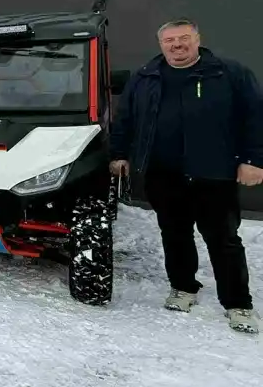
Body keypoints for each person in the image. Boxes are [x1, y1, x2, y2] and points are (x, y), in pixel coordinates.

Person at [110, 19, 263, 334]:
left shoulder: (229, 73)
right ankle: (183, 287)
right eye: (170, 40)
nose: (177, 45)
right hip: (163, 172)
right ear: (161, 44)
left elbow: (255, 117)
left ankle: (238, 304)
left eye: (183, 38)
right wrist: (119, 154)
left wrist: (253, 160)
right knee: (174, 234)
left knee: (223, 240)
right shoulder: (145, 77)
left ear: (197, 39)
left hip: (214, 172)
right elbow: (125, 118)